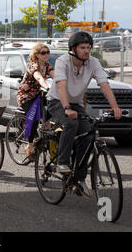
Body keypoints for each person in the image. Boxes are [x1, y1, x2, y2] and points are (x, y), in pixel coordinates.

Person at [47, 31, 122, 197]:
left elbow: (104, 85)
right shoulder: (62, 61)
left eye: (88, 47)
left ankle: (79, 180)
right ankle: (62, 162)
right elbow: (60, 86)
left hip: (76, 103)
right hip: (57, 101)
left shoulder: (93, 62)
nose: (87, 51)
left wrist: (115, 107)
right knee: (71, 123)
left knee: (88, 135)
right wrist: (66, 108)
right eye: (82, 48)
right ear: (73, 49)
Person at [16, 43, 54, 161]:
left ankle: (44, 129)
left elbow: (55, 76)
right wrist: (47, 87)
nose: (46, 55)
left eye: (47, 52)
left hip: (38, 95)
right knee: (35, 116)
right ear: (37, 55)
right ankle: (30, 145)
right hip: (26, 96)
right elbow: (39, 77)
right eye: (43, 53)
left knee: (54, 108)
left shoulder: (47, 66)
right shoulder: (33, 65)